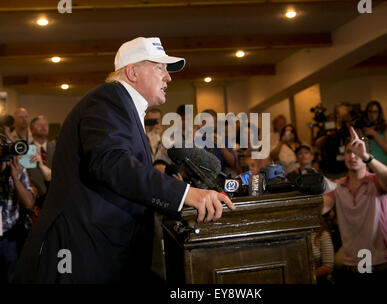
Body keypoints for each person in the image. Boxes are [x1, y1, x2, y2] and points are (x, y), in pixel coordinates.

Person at [12, 37, 235, 284]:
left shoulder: (123, 105)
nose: (168, 77)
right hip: (81, 254)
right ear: (132, 72)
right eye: (160, 67)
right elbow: (111, 164)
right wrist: (185, 194)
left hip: (99, 250)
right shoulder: (109, 99)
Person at [322, 127, 387, 284]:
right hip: (353, 268)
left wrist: (365, 156)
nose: (352, 156)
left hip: (382, 265)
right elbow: (321, 208)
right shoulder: (337, 186)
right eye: (348, 152)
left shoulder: (376, 181)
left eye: (357, 152)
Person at [0, 154, 35, 283]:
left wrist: (15, 178)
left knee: (12, 277)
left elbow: (28, 203)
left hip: (9, 238)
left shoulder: (18, 169)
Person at [27, 116, 55, 224]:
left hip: (53, 198)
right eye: (39, 125)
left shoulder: (56, 148)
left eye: (46, 125)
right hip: (34, 202)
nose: (43, 127)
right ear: (32, 129)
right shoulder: (26, 150)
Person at [360, 101, 387, 170]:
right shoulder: (363, 128)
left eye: (375, 112)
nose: (372, 115)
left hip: (384, 165)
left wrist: (374, 134)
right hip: (369, 166)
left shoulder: (386, 126)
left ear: (379, 113)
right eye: (370, 112)